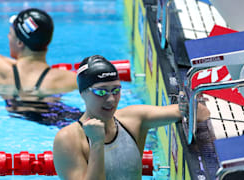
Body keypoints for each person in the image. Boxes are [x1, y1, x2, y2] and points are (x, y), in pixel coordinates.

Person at [53, 55, 210, 179]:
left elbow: (202, 112)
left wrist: (187, 108)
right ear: (83, 94)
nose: (110, 99)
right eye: (101, 92)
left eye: (116, 90)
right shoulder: (68, 139)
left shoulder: (133, 119)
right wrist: (96, 143)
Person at [0, 8, 81, 126]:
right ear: (47, 42)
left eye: (10, 34)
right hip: (64, 118)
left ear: (19, 42)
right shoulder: (69, 79)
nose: (8, 37)